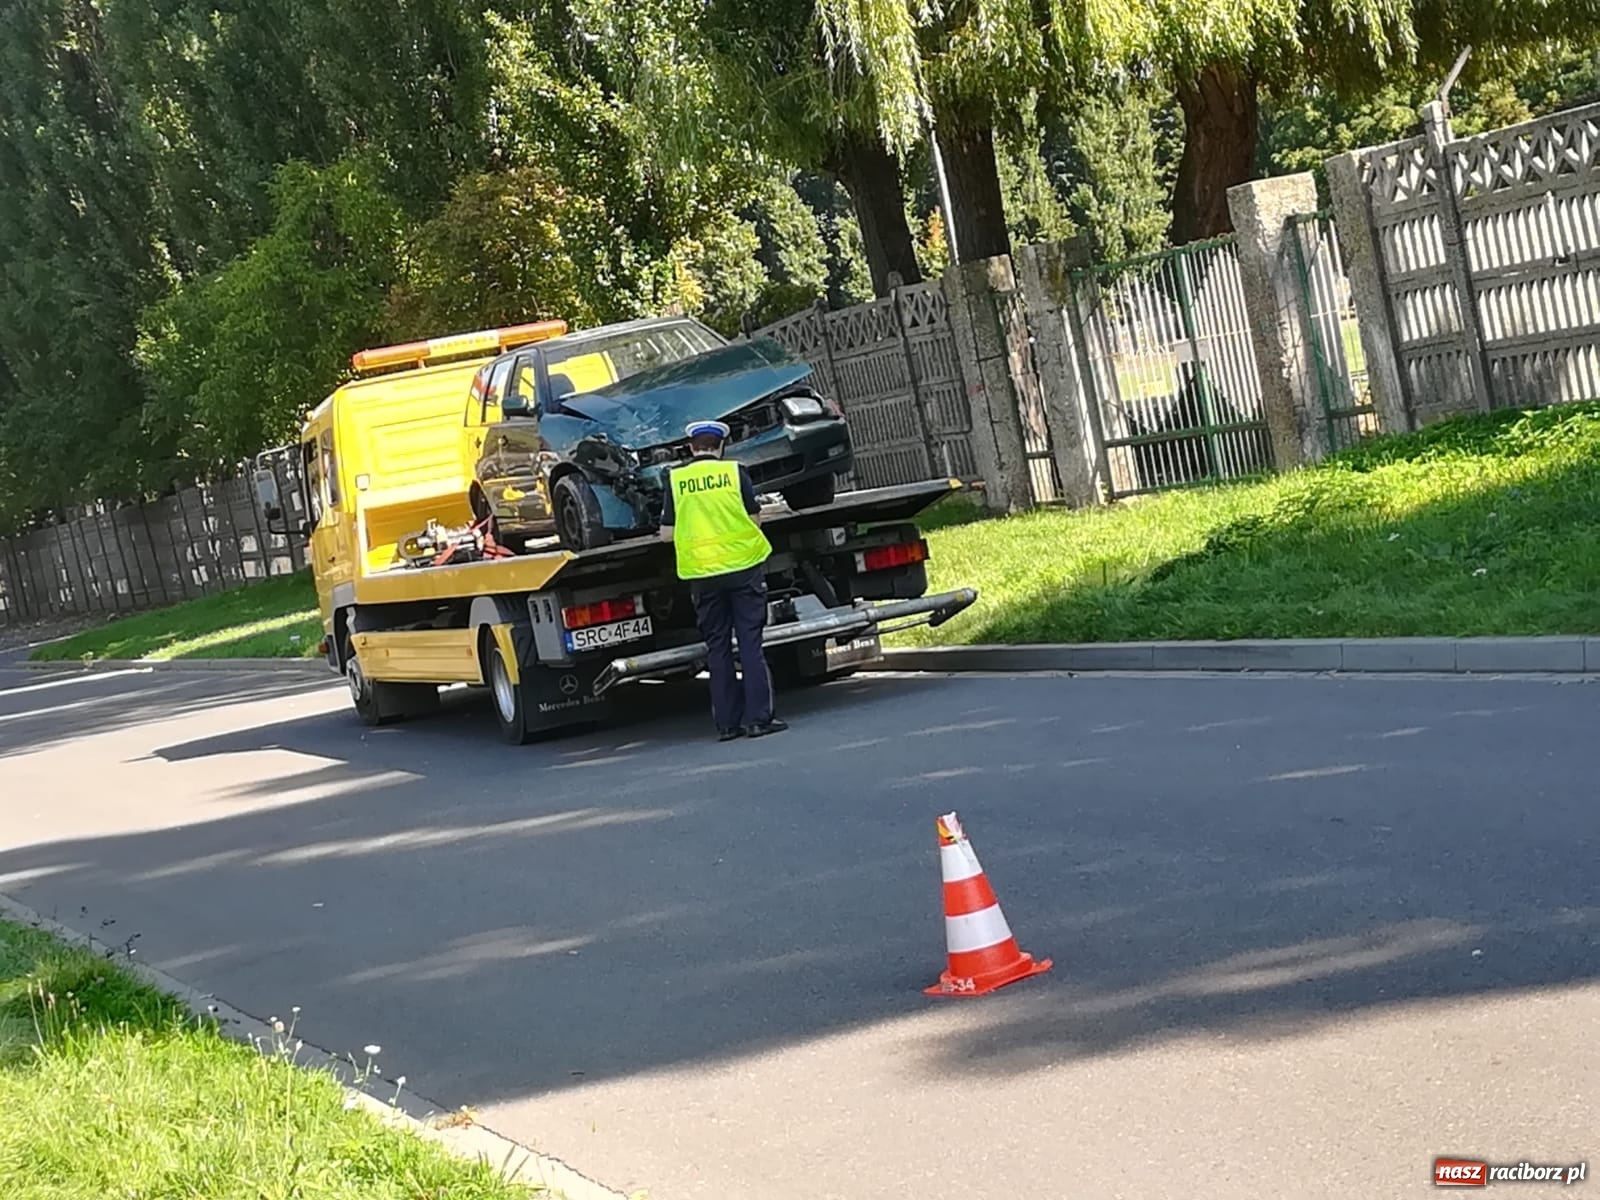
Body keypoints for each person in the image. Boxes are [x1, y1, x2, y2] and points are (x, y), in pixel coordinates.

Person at [659, 420, 788, 741]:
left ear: (691, 448)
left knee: (717, 648)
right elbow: (754, 519)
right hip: (743, 569)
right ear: (720, 446)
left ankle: (727, 726)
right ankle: (759, 720)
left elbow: (666, 535)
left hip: (703, 576)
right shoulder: (734, 473)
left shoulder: (676, 480)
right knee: (750, 645)